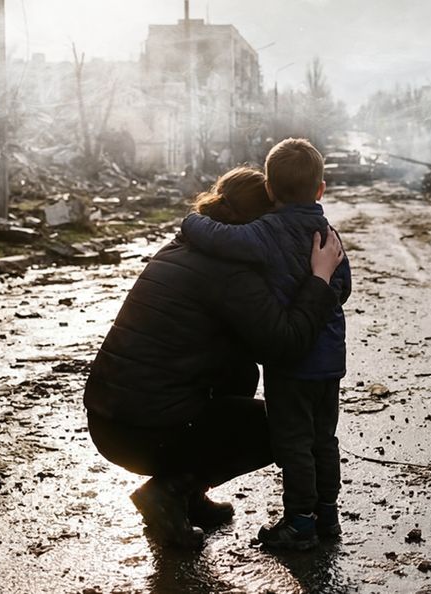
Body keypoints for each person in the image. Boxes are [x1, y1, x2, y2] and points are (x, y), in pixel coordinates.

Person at [84, 166, 346, 549]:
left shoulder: (184, 245)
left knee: (240, 374)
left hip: (110, 419)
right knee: (283, 427)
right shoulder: (231, 272)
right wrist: (320, 281)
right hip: (142, 430)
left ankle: (191, 495)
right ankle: (170, 491)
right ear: (260, 223)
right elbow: (286, 343)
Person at [181, 139, 350, 551]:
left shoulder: (265, 232)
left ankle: (300, 523)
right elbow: (341, 288)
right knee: (324, 439)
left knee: (293, 444)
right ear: (321, 189)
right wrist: (318, 284)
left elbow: (216, 235)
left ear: (270, 191)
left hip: (291, 366)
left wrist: (190, 221)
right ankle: (328, 516)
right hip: (329, 363)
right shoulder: (328, 235)